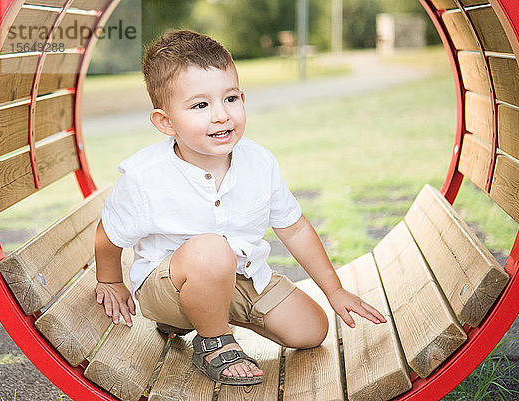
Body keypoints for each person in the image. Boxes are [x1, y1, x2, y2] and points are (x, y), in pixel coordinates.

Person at [94, 30, 387, 386]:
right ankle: (213, 341)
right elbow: (108, 235)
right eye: (201, 105)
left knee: (311, 331)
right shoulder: (146, 176)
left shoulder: (260, 162)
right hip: (166, 287)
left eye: (230, 98)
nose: (221, 115)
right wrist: (110, 280)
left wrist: (334, 290)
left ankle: (215, 314)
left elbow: (294, 228)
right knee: (211, 250)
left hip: (239, 277)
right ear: (165, 122)